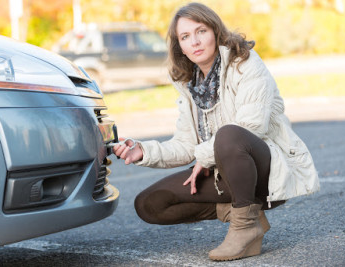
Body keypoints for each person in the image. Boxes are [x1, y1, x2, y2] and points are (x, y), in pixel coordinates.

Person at [113, 2, 319, 262]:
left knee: (229, 134)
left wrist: (204, 156)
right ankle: (247, 216)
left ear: (215, 31)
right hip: (225, 171)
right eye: (185, 37)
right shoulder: (190, 85)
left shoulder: (245, 63)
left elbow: (252, 124)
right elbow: (186, 145)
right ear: (180, 47)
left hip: (265, 170)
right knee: (150, 204)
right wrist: (143, 150)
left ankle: (243, 227)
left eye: (201, 31)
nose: (195, 42)